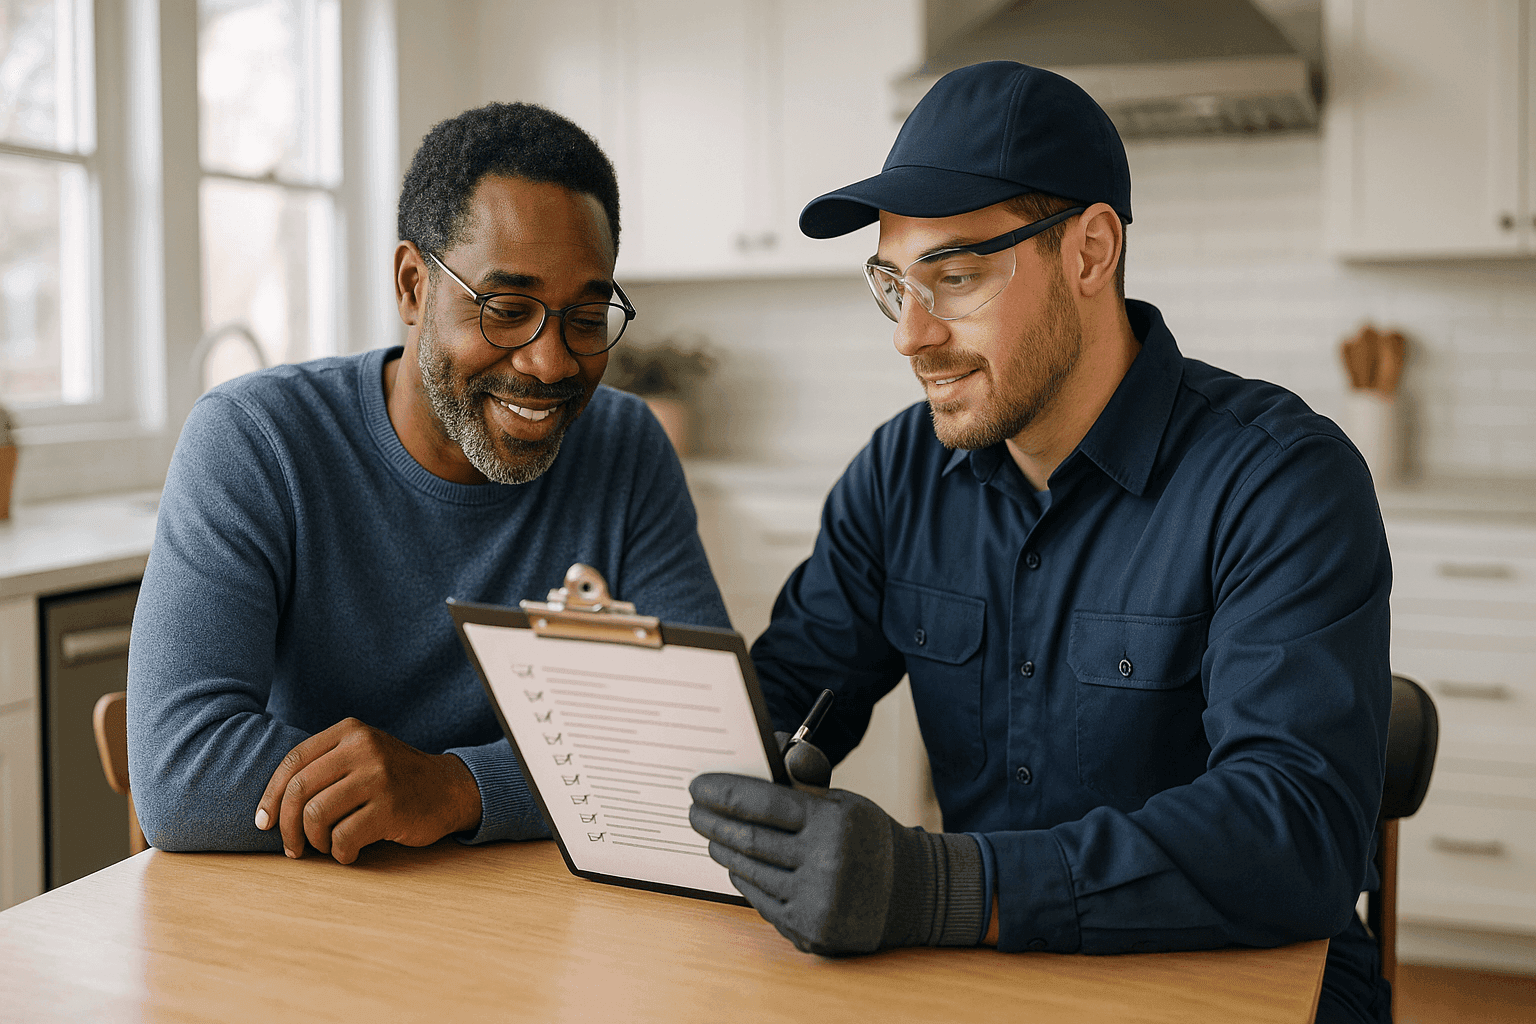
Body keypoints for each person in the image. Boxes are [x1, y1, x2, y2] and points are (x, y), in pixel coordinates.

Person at [688, 62, 1392, 1023]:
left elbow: (1297, 835)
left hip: (1236, 983)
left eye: (958, 277)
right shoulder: (899, 476)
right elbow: (784, 707)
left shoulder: (1279, 482)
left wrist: (938, 885)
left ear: (1091, 253)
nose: (911, 338)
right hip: (984, 982)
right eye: (896, 285)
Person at [129, 103, 728, 864]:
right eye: (507, 311)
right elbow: (182, 773)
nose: (550, 364)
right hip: (309, 921)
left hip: (530, 920)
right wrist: (565, 777)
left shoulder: (624, 445)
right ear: (413, 286)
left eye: (585, 316)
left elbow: (703, 744)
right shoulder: (255, 440)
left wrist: (458, 788)